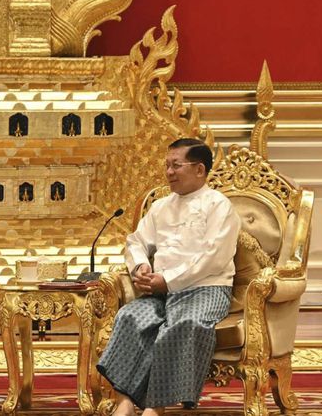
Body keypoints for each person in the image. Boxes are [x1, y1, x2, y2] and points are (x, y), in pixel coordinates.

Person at [97, 138, 241, 416]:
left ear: (200, 170)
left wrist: (169, 280)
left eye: (176, 166)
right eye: (167, 166)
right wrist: (140, 267)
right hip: (160, 291)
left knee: (181, 325)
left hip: (206, 289)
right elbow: (135, 242)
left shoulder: (218, 206)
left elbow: (215, 258)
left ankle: (155, 407)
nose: (169, 172)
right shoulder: (161, 206)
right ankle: (125, 401)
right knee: (130, 317)